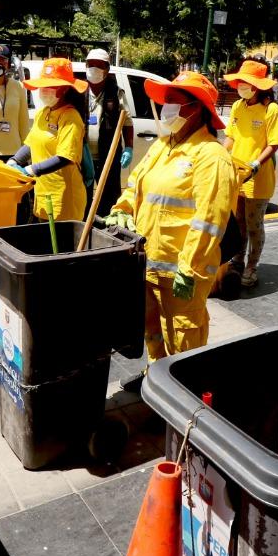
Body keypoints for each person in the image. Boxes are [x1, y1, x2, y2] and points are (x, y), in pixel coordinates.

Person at [104, 71, 237, 360]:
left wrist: (189, 269)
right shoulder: (163, 145)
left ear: (196, 109)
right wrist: (121, 210)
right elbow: (136, 185)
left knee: (182, 340)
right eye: (167, 102)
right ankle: (155, 378)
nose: (167, 109)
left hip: (182, 272)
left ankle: (184, 393)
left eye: (175, 102)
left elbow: (210, 221)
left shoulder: (211, 156)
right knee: (151, 330)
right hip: (148, 263)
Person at [223, 59, 278, 288]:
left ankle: (252, 266)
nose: (241, 87)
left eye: (246, 83)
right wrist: (220, 151)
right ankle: (237, 259)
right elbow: (231, 137)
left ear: (258, 86)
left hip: (259, 178)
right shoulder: (238, 106)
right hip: (237, 175)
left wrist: (256, 164)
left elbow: (274, 143)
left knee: (254, 224)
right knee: (238, 223)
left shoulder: (271, 109)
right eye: (240, 82)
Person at [8, 57, 89, 222]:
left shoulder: (71, 117)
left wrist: (31, 170)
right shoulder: (43, 113)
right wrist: (14, 160)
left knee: (61, 246)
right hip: (43, 191)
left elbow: (65, 157)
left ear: (64, 89)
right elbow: (30, 143)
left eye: (50, 86)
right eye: (43, 86)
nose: (44, 90)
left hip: (63, 196)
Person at [84, 48, 134, 215]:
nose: (94, 69)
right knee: (83, 196)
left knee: (109, 197)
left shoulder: (116, 92)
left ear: (107, 69)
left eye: (99, 65)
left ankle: (108, 231)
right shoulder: (79, 90)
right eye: (91, 65)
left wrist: (129, 148)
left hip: (108, 155)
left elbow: (126, 122)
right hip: (83, 156)